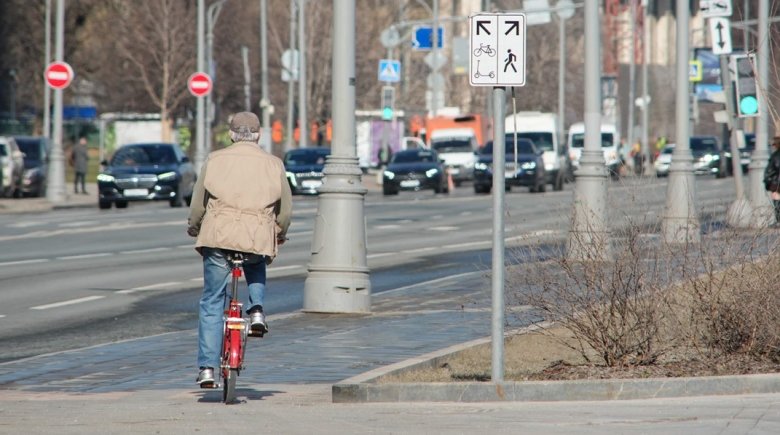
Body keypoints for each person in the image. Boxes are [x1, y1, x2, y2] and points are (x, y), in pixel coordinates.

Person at [186, 111, 292, 387]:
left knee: (211, 302)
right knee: (256, 261)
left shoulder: (215, 159)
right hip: (256, 235)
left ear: (231, 134)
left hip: (218, 237)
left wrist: (195, 227)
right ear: (258, 135)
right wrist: (278, 232)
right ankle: (256, 310)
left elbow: (198, 203)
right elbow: (285, 210)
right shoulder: (273, 164)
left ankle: (207, 369)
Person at [763, 136, 780, 226]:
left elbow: (770, 170)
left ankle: (779, 220)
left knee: (777, 201)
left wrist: (767, 181)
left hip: (776, 183)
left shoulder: (775, 156)